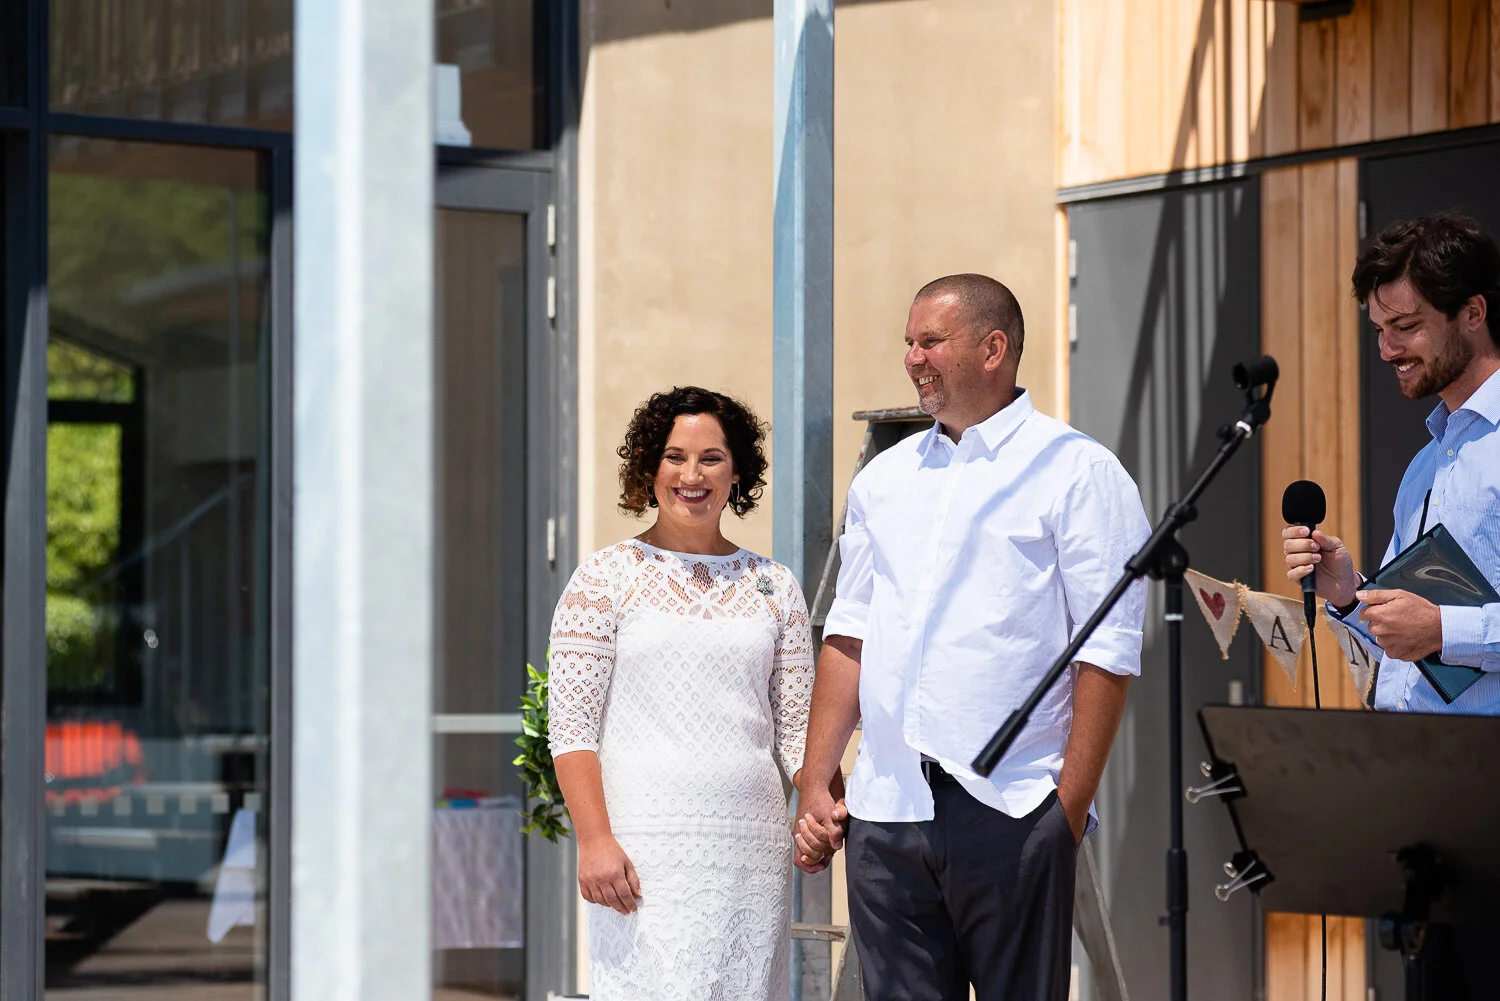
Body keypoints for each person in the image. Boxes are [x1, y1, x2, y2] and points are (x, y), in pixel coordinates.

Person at [793, 274, 1150, 1001]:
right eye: (909, 342)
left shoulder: (1077, 470)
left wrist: (1064, 812)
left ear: (994, 349)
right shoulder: (884, 479)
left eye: (930, 341)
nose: (912, 358)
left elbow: (1107, 650)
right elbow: (850, 631)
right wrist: (817, 775)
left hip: (1014, 807)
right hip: (887, 811)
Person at [547, 385, 829, 1000]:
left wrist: (818, 807)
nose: (691, 475)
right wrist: (594, 841)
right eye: (674, 457)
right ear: (650, 468)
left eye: (711, 458)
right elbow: (571, 730)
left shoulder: (775, 585)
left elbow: (798, 732)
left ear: (737, 471)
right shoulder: (603, 577)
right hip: (640, 853)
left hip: (750, 853)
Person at [1283, 213, 1500, 714]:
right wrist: (1350, 594)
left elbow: (1430, 632)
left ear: (1473, 313)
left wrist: (1442, 629)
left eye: (1405, 326)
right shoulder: (1425, 465)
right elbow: (1404, 646)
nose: (1386, 349)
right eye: (1380, 330)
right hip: (1407, 750)